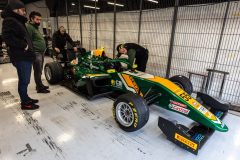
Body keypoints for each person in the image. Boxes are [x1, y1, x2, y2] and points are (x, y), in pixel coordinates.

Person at [1, 0, 39, 110]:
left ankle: (26, 98)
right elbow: (7, 37)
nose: (24, 12)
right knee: (24, 80)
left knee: (25, 80)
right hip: (21, 56)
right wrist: (23, 45)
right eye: (22, 10)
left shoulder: (17, 20)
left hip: (25, 55)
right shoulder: (10, 20)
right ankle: (25, 103)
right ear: (15, 10)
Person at [26, 11, 50, 93]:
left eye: (40, 19)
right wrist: (32, 52)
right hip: (36, 53)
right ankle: (39, 88)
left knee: (39, 70)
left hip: (40, 52)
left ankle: (40, 85)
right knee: (37, 70)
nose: (39, 21)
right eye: (37, 19)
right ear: (31, 19)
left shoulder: (35, 27)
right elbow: (28, 41)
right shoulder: (29, 27)